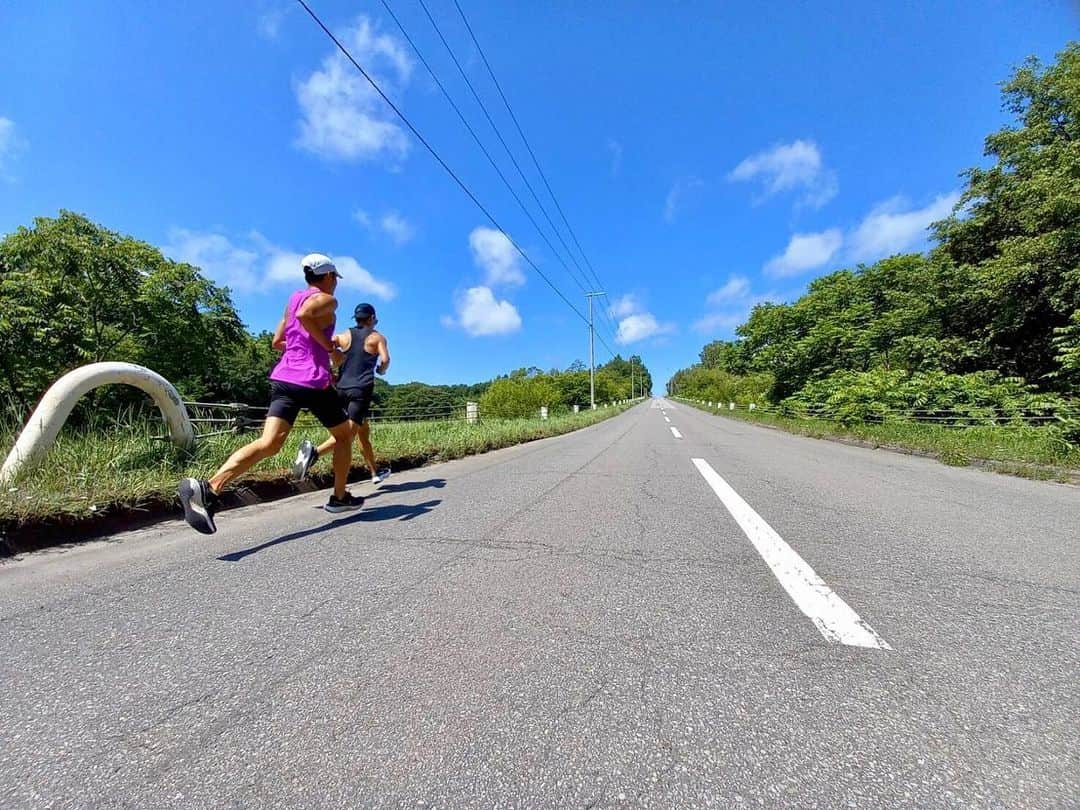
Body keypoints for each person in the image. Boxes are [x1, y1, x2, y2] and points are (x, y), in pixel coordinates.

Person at [177, 254, 364, 535]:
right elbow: (306, 317)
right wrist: (330, 349)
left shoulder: (293, 300)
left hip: (285, 377)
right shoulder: (327, 300)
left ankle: (209, 488)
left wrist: (307, 344)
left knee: (269, 443)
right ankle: (339, 497)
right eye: (335, 278)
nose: (335, 284)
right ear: (327, 277)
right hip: (312, 381)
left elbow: (278, 341)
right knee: (345, 434)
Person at [292, 302, 391, 484]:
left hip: (341, 389)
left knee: (363, 431)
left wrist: (330, 365)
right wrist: (381, 370)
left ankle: (374, 471)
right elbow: (385, 360)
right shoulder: (377, 338)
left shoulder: (344, 336)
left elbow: (324, 344)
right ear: (371, 319)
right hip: (361, 391)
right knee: (347, 435)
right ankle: (314, 453)